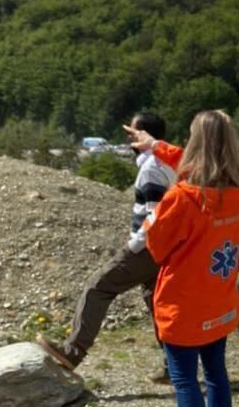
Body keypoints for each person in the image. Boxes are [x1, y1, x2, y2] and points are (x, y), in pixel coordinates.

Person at [141, 110, 239, 407]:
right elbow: (195, 165)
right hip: (218, 305)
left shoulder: (183, 197)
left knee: (186, 381)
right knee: (217, 375)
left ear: (195, 145)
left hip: (183, 307)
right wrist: (156, 146)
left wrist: (150, 218)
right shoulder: (238, 193)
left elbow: (155, 247)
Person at [37, 110, 176, 380]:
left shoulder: (151, 170)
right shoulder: (165, 163)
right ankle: (174, 367)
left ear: (142, 136)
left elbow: (155, 218)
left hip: (147, 249)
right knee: (157, 305)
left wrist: (133, 248)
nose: (127, 141)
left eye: (131, 134)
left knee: (97, 287)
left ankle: (72, 351)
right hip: (163, 250)